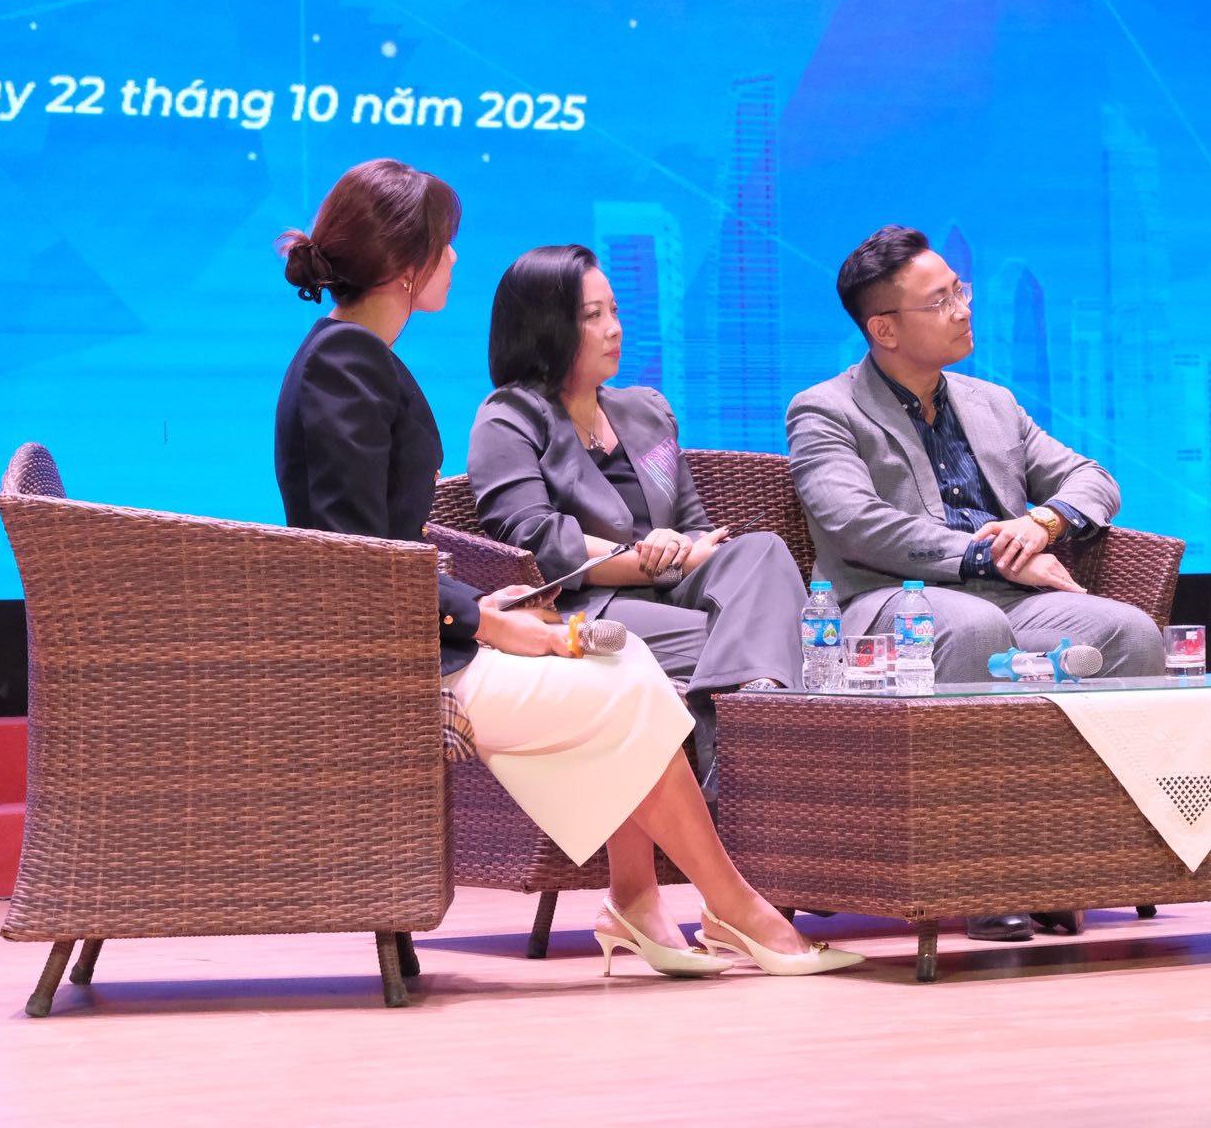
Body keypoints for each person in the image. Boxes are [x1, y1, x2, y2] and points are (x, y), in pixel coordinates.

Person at [273, 159, 858, 977]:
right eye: (444, 245)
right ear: (406, 267)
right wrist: (480, 617)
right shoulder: (351, 362)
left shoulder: (357, 356)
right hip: (392, 661)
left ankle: (643, 900)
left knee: (626, 669)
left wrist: (479, 603)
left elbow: (378, 550)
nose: (454, 260)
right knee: (624, 678)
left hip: (416, 633)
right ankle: (731, 903)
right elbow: (357, 559)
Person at [787, 224, 1163, 943]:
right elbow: (855, 524)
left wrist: (1043, 523)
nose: (963, 308)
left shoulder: (993, 404)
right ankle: (983, 877)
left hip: (1008, 600)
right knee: (972, 628)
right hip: (885, 604)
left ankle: (1080, 862)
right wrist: (988, 555)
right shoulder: (825, 410)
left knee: (1128, 633)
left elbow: (1094, 479)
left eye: (960, 290)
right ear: (884, 329)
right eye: (940, 301)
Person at [467, 244, 810, 799]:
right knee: (763, 636)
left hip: (674, 586)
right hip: (586, 606)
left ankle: (743, 747)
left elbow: (696, 526)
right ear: (545, 326)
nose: (614, 328)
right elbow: (537, 540)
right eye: (592, 315)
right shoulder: (507, 417)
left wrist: (680, 546)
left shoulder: (646, 408)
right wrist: (651, 560)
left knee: (764, 548)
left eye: (615, 311)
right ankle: (752, 760)